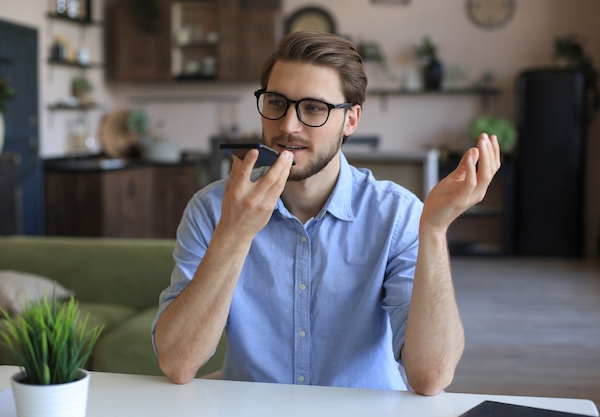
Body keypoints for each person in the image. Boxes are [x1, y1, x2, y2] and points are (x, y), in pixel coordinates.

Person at [152, 31, 501, 396]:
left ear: (351, 120)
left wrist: (434, 229)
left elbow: (430, 378)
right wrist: (235, 234)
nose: (288, 126)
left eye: (314, 108)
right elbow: (178, 363)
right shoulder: (211, 210)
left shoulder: (397, 216)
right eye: (276, 103)